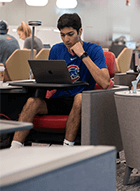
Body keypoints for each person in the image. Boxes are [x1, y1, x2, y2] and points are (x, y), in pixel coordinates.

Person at [10, 13, 110, 148]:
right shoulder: (57, 49)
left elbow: (104, 82)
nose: (66, 39)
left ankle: (66, 149)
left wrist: (82, 54)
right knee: (31, 102)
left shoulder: (94, 50)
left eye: (70, 34)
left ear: (80, 31)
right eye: (62, 35)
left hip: (82, 102)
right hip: (60, 99)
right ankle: (14, 148)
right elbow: (50, 80)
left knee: (80, 98)